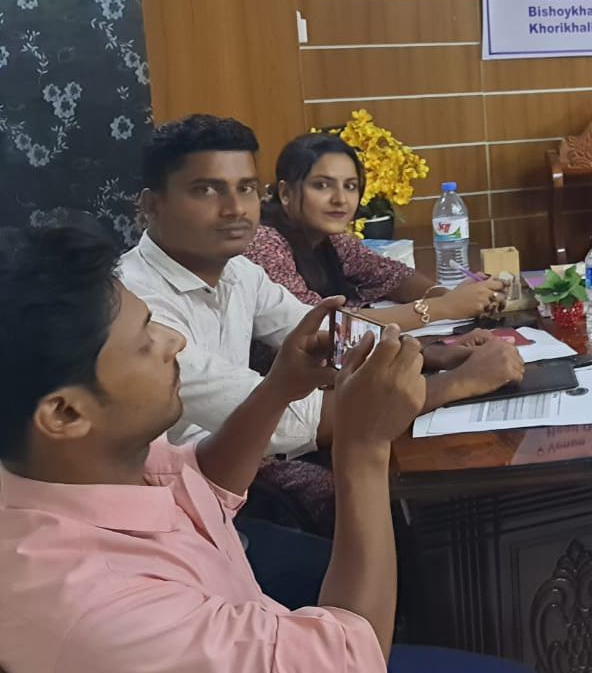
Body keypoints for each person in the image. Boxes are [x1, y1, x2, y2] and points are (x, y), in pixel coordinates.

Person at [0, 225, 531, 672]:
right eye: (144, 342)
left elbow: (199, 484)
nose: (173, 342)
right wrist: (363, 448)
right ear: (64, 414)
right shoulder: (104, 609)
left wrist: (279, 387)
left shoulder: (76, 467)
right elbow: (352, 657)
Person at [118, 118, 524, 455]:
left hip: (241, 468)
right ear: (152, 205)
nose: (235, 208)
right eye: (206, 190)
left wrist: (430, 355)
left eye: (245, 188)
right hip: (185, 495)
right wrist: (456, 384)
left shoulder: (238, 271)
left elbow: (327, 335)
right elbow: (285, 423)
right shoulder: (133, 306)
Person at [246, 132, 507, 330]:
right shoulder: (264, 243)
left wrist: (455, 297)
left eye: (350, 186)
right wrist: (443, 308)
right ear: (285, 193)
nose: (340, 199)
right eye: (322, 185)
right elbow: (320, 326)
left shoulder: (331, 238)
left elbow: (392, 275)